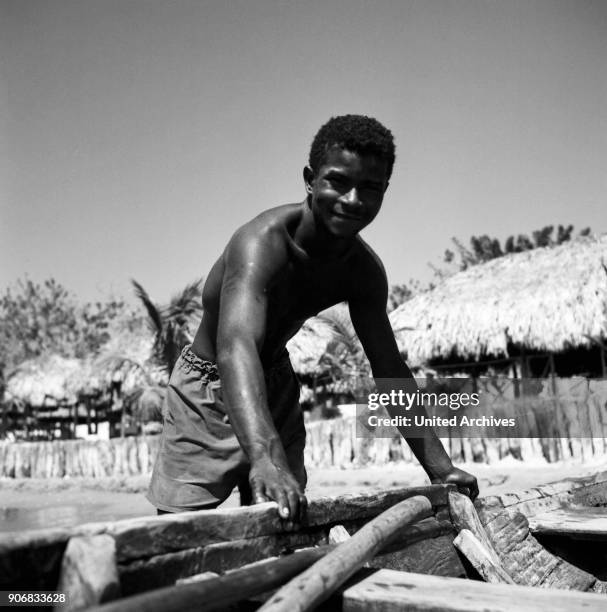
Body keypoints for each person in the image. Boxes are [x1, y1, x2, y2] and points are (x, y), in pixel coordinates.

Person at [147, 114, 478, 520]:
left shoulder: (363, 272)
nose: (353, 200)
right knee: (181, 531)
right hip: (208, 385)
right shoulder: (261, 243)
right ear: (310, 179)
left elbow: (389, 369)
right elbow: (236, 347)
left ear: (385, 192)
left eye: (370, 189)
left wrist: (441, 469)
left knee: (282, 520)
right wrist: (265, 457)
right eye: (338, 181)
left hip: (274, 381)